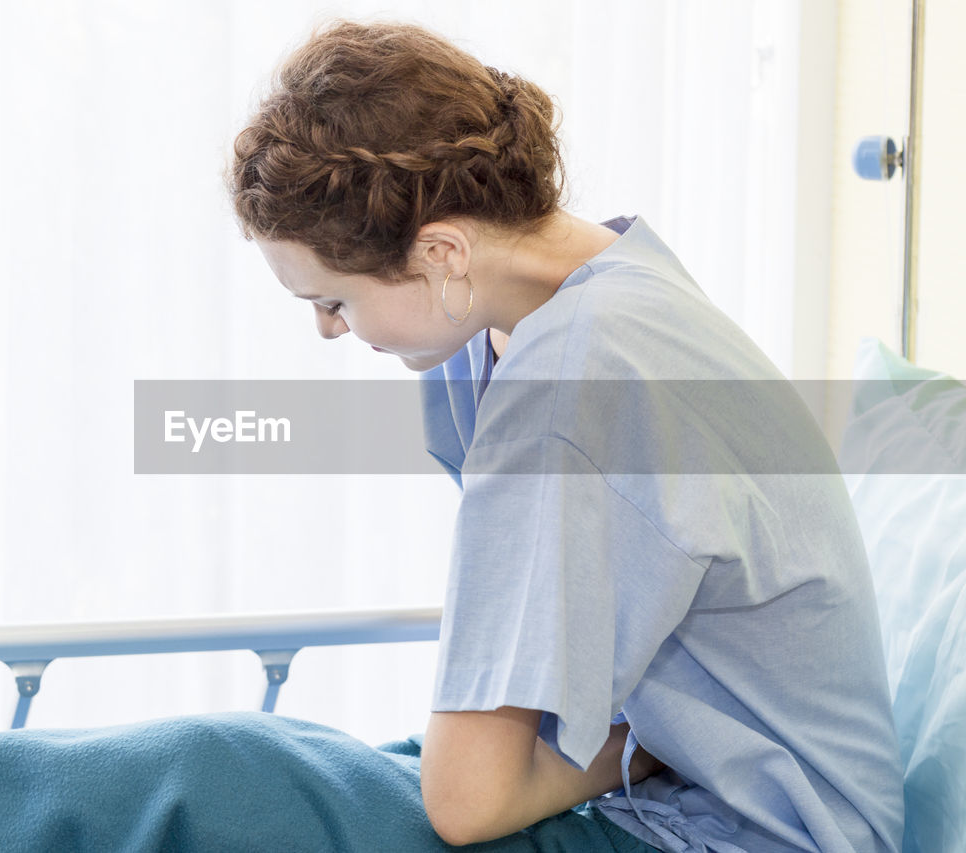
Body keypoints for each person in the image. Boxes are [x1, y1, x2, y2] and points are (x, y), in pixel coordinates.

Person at [229, 20, 905, 852]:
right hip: (754, 800)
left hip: (749, 830)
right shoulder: (605, 281)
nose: (331, 330)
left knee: (224, 778)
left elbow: (465, 800)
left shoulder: (569, 378)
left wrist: (634, 747)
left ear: (442, 250)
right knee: (265, 770)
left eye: (332, 300)